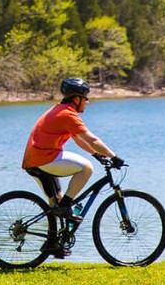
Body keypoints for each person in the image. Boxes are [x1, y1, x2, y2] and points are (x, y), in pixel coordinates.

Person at [22, 78, 123, 225]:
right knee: (86, 168)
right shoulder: (68, 115)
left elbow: (78, 139)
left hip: (32, 162)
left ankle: (52, 243)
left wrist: (96, 154)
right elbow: (92, 140)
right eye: (86, 98)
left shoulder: (59, 110)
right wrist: (114, 157)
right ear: (76, 99)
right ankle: (65, 206)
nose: (88, 102)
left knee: (54, 201)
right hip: (45, 159)